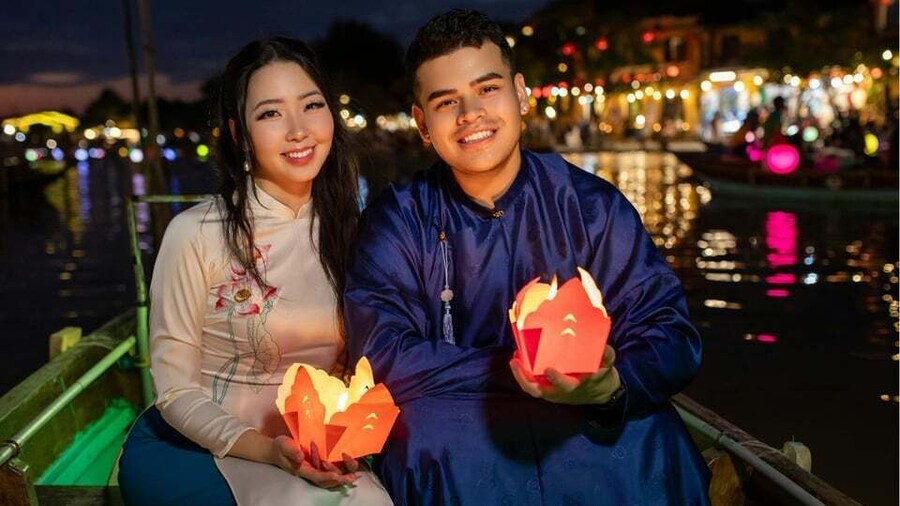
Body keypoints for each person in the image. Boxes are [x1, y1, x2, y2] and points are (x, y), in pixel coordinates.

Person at [344, 9, 709, 506]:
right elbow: (381, 352)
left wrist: (609, 386)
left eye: (487, 89)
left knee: (653, 437)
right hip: (458, 424)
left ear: (520, 94)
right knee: (425, 443)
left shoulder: (591, 207)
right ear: (423, 125)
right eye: (446, 101)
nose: (470, 113)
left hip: (591, 412)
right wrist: (521, 371)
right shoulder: (399, 219)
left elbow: (669, 330)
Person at [117, 37, 393, 506]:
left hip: (321, 443)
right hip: (197, 444)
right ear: (240, 134)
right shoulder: (196, 234)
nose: (298, 130)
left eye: (312, 105)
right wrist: (267, 450)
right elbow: (175, 389)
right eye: (270, 114)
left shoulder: (359, 230)